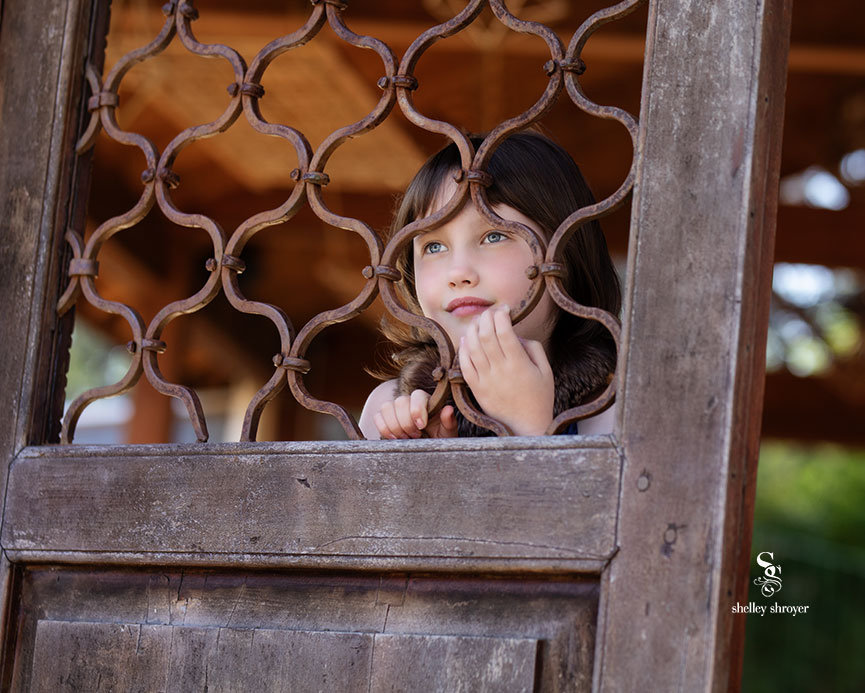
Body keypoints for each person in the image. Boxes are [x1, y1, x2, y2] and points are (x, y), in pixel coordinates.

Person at [358, 131, 621, 439]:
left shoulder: (610, 412)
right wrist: (425, 463)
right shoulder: (391, 407)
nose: (457, 273)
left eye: (494, 236)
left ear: (565, 253)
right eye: (433, 246)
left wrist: (528, 429)